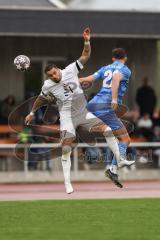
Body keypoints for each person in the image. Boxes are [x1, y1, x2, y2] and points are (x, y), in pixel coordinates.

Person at [25, 29, 133, 193]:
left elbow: (85, 55)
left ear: (58, 69)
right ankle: (68, 183)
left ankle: (120, 160)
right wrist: (32, 113)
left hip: (84, 112)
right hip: (67, 116)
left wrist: (87, 41)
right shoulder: (47, 85)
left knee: (109, 131)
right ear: (48, 77)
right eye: (51, 75)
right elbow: (40, 99)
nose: (54, 76)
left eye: (55, 73)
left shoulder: (70, 70)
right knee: (66, 148)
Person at [80, 48, 135, 187]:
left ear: (112, 58)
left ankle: (113, 170)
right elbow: (116, 78)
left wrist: (72, 80)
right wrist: (115, 100)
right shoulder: (125, 70)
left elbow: (89, 79)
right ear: (125, 57)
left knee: (114, 135)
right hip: (106, 106)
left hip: (92, 105)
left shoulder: (105, 68)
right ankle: (114, 166)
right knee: (125, 139)